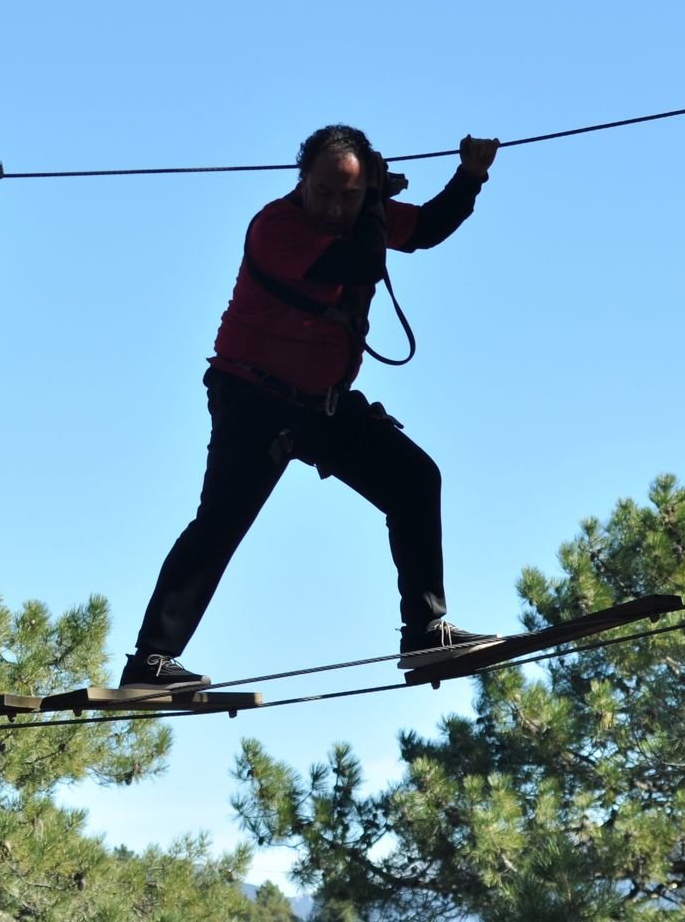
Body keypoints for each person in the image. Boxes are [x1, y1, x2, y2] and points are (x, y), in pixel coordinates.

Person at [120, 125, 500, 690]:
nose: (334, 206)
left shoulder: (362, 218)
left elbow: (425, 230)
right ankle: (149, 663)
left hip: (320, 405)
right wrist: (371, 199)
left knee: (415, 479)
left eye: (348, 196)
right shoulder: (277, 227)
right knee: (221, 524)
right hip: (253, 397)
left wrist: (471, 176)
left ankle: (425, 634)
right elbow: (362, 264)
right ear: (303, 181)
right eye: (325, 191)